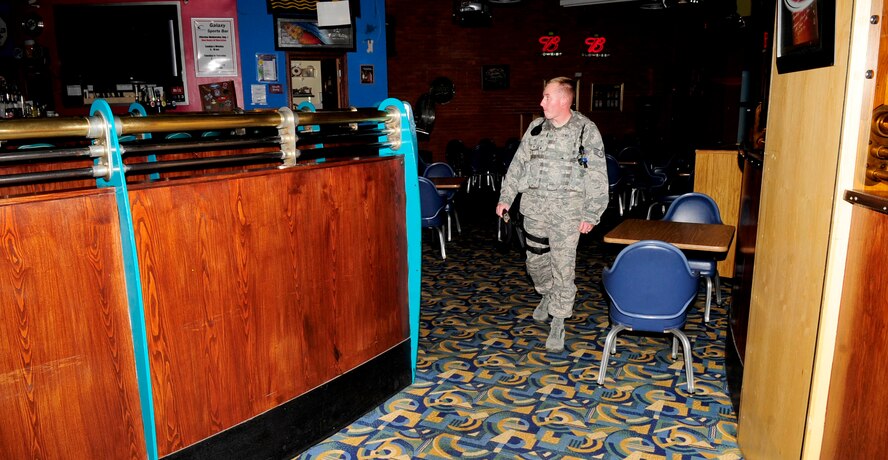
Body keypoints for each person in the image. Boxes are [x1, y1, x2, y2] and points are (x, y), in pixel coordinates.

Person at [495, 77, 609, 352]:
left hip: (568, 212)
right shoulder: (535, 128)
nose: (542, 102)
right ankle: (547, 294)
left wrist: (592, 213)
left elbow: (597, 174)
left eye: (547, 97)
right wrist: (506, 198)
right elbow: (518, 164)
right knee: (534, 263)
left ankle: (559, 319)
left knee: (563, 266)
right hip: (534, 209)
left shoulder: (586, 130)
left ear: (564, 100)